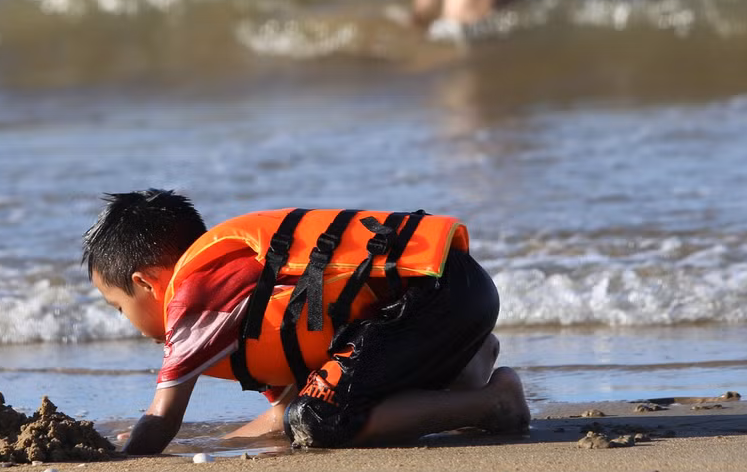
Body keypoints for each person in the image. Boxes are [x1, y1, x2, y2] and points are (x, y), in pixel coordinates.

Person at [83, 189, 529, 455]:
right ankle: (468, 365)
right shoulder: (244, 290)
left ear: (145, 283)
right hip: (453, 290)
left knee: (320, 423)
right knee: (316, 407)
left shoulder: (195, 294)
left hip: (432, 301)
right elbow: (282, 415)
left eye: (118, 306)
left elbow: (162, 421)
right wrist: (219, 443)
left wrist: (123, 455)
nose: (126, 321)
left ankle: (494, 403)